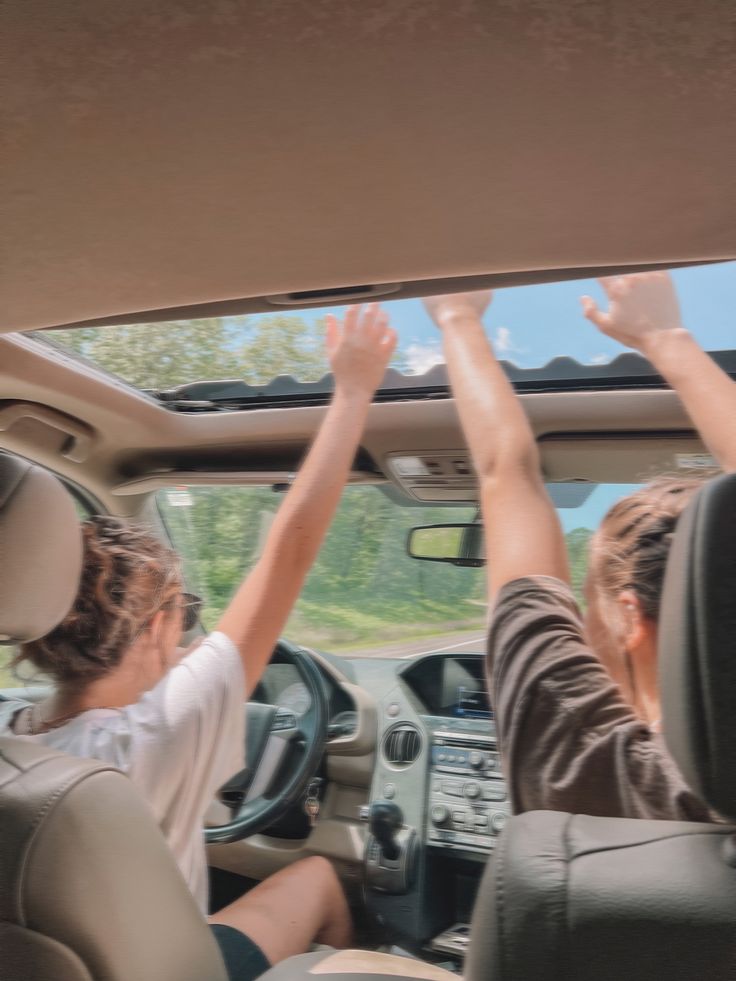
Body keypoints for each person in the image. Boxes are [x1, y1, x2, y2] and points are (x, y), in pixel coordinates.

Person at [0, 304, 396, 980]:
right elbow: (290, 552)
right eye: (184, 613)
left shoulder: (13, 732)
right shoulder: (163, 729)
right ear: (156, 627)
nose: (190, 637)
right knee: (321, 879)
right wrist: (355, 386)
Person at [424, 271, 736, 822]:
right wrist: (668, 336)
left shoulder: (580, 755)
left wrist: (457, 316)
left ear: (629, 615)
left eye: (588, 606)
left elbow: (506, 468)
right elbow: (506, 474)